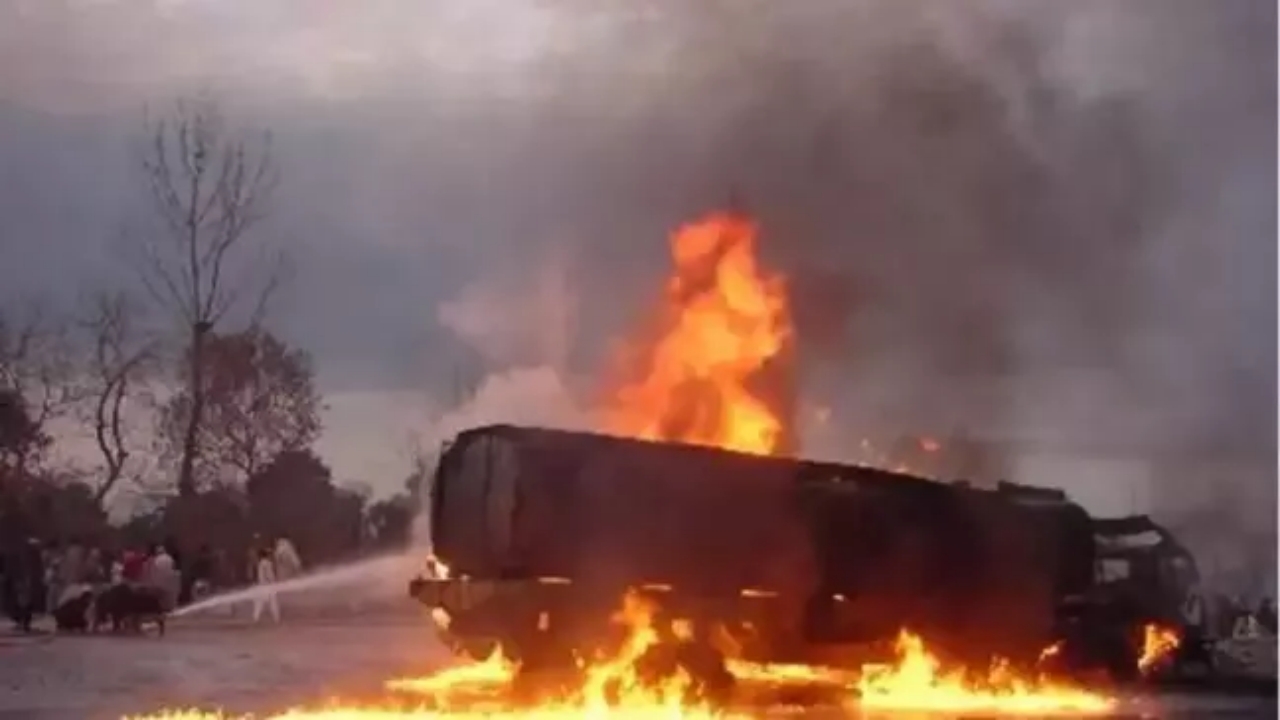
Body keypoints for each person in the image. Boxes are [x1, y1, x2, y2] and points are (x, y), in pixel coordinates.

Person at [251, 548, 280, 623]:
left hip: (262, 585)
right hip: (268, 585)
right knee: (273, 602)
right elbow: (269, 574)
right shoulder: (267, 563)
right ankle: (276, 618)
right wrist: (273, 581)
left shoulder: (261, 563)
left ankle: (256, 618)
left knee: (260, 603)